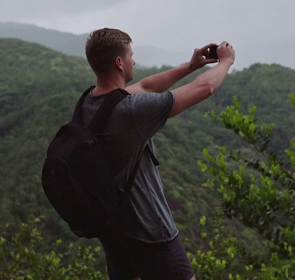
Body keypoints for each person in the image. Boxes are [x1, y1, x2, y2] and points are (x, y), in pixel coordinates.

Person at [82, 28, 235, 280]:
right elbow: (205, 88)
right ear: (119, 63)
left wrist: (191, 65)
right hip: (149, 229)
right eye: (131, 55)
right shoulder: (129, 110)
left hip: (115, 229)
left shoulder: (90, 102)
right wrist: (227, 60)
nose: (134, 60)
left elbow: (145, 86)